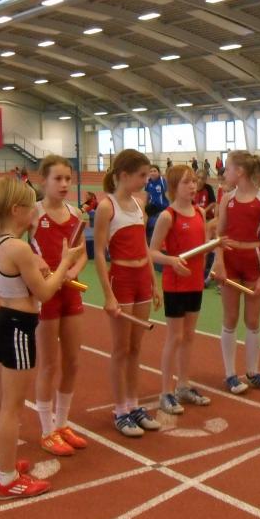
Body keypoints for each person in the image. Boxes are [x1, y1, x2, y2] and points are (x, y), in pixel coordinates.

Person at [0, 176, 83, 499]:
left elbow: (28, 280)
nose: (34, 213)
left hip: (3, 321)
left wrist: (43, 268)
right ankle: (7, 479)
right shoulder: (19, 247)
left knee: (0, 398)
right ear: (16, 210)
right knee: (11, 407)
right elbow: (45, 293)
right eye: (30, 207)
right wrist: (64, 264)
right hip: (18, 327)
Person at [94, 150, 162, 437]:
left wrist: (154, 282)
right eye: (142, 175)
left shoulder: (138, 203)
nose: (146, 180)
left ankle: (134, 404)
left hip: (141, 280)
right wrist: (108, 295)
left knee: (136, 347)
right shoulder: (106, 207)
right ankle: (120, 409)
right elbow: (99, 253)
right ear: (123, 175)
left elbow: (143, 247)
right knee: (121, 348)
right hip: (121, 279)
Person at [31, 156, 89, 457]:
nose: (65, 184)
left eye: (68, 178)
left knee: (73, 361)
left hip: (70, 292)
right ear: (44, 180)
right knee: (49, 364)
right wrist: (40, 265)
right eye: (58, 178)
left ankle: (63, 423)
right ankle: (46, 430)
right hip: (46, 294)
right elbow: (19, 247)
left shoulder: (75, 213)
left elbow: (82, 254)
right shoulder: (33, 213)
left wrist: (73, 270)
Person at [150, 166, 219, 415]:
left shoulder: (200, 212)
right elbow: (152, 252)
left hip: (195, 283)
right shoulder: (167, 216)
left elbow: (201, 247)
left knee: (189, 336)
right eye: (186, 182)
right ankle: (165, 392)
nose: (192, 186)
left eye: (194, 181)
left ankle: (183, 385)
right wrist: (171, 261)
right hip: (175, 284)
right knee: (175, 337)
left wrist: (216, 246)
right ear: (173, 187)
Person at [212, 151, 260, 394]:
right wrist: (219, 262)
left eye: (227, 169)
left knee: (253, 320)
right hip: (230, 260)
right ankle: (230, 374)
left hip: (254, 260)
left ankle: (253, 371)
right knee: (230, 318)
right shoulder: (226, 199)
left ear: (239, 172)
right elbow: (219, 235)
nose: (224, 173)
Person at [144, 165, 169, 240]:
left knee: (157, 224)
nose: (153, 173)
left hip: (162, 207)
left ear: (159, 172)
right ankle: (147, 237)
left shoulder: (162, 181)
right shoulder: (148, 182)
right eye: (151, 171)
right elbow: (147, 195)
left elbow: (167, 193)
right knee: (146, 220)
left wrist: (171, 206)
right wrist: (145, 205)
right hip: (152, 206)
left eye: (155, 171)